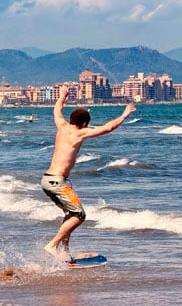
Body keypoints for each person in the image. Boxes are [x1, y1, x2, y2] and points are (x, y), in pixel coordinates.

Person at [41, 85, 135, 262]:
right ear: (84, 124)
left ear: (71, 119)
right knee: (80, 215)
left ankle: (64, 252)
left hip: (47, 180)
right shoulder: (79, 133)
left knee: (71, 213)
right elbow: (107, 128)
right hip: (57, 183)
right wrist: (124, 115)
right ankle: (52, 245)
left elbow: (56, 111)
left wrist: (62, 96)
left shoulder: (62, 126)